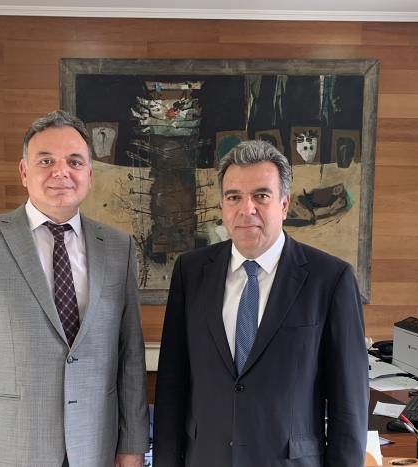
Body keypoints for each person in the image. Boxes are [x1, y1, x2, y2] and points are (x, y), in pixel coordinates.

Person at [0, 110, 149, 467]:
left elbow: (130, 356)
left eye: (74, 161)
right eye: (46, 160)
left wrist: (132, 446)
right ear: (24, 172)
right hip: (10, 451)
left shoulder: (119, 248)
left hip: (95, 448)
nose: (60, 172)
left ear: (89, 174)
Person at [153, 140, 368, 467]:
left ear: (284, 204)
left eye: (261, 196)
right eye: (234, 197)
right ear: (222, 205)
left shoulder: (330, 279)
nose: (246, 209)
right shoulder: (191, 272)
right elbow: (172, 384)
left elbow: (349, 407)